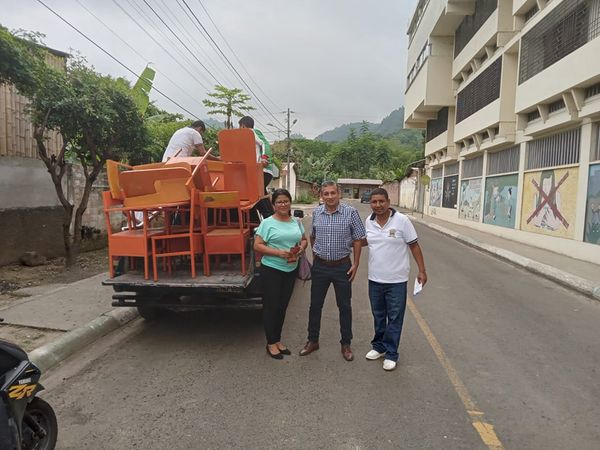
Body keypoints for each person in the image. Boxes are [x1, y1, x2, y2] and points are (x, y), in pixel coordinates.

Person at [299, 181, 366, 361]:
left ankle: (346, 344)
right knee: (315, 305)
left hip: (342, 267)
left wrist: (356, 264)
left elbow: (358, 239)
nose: (329, 197)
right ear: (321, 196)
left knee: (344, 306)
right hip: (320, 266)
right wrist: (315, 258)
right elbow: (313, 236)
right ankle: (312, 340)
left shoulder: (351, 212)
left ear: (339, 194)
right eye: (326, 194)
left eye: (332, 193)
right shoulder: (317, 213)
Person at [364, 188, 427, 371]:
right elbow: (369, 241)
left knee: (394, 317)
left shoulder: (402, 220)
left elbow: (414, 246)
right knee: (378, 315)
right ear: (371, 204)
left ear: (388, 202)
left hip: (396, 281)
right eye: (374, 202)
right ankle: (379, 347)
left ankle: (391, 353)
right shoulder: (369, 221)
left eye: (381, 201)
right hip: (375, 278)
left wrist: (422, 270)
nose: (378, 205)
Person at [254, 189, 308, 359]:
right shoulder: (267, 223)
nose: (283, 204)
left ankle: (277, 340)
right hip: (271, 270)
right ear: (274, 205)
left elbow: (303, 239)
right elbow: (257, 245)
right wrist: (278, 253)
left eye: (286, 201)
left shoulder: (296, 222)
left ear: (290, 202)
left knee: (282, 306)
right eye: (279, 202)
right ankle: (270, 343)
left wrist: (301, 248)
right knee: (271, 306)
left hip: (290, 270)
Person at [239, 116, 274, 218]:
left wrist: (264, 158)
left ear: (243, 126)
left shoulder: (251, 132)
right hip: (257, 172)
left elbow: (265, 144)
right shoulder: (246, 140)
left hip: (262, 170)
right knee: (258, 196)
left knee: (256, 195)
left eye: (240, 127)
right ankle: (268, 218)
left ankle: (269, 217)